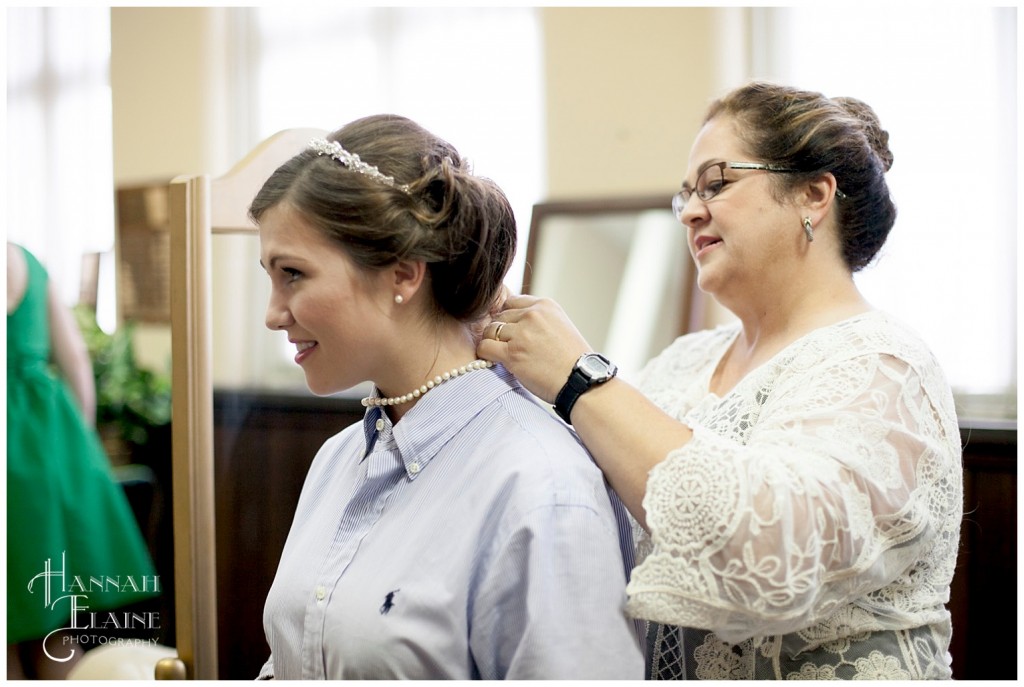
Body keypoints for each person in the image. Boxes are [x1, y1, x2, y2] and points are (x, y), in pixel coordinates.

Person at [478, 82, 962, 680]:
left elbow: (771, 555)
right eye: (684, 195)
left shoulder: (883, 365)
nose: (690, 210)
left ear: (813, 194)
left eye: (716, 184)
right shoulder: (684, 363)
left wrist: (580, 378)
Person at [249, 114, 644, 680]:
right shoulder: (335, 461)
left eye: (293, 274)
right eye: (270, 275)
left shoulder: (539, 485)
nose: (272, 314)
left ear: (403, 275)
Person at [7, 243, 159, 679]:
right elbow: (74, 356)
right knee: (54, 628)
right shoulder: (29, 263)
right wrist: (77, 445)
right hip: (48, 434)